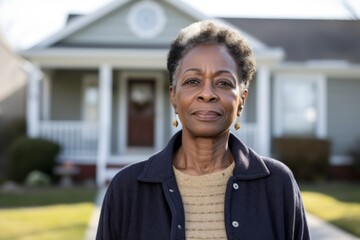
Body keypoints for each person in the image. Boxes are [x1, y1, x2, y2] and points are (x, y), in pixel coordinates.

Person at [96, 20, 310, 240]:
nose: (207, 94)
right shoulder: (127, 189)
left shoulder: (277, 185)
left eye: (224, 83)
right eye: (192, 81)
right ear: (173, 97)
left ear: (242, 100)